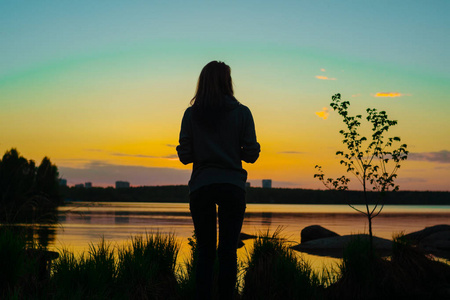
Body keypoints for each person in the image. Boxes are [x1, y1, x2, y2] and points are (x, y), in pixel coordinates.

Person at [176, 61, 260, 300]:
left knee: (205, 252)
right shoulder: (243, 112)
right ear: (227, 81)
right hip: (232, 187)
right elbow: (251, 155)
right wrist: (235, 149)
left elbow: (185, 156)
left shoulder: (191, 115)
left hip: (202, 186)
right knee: (227, 253)